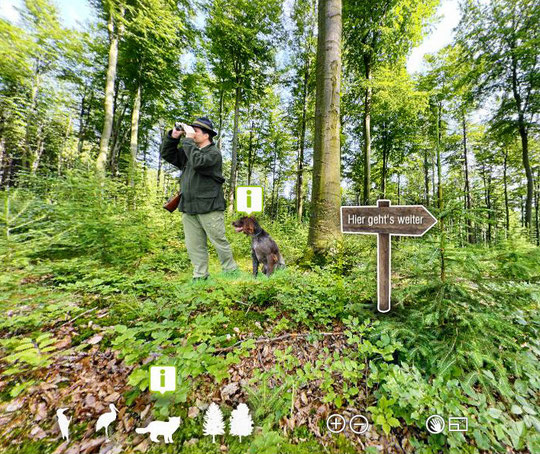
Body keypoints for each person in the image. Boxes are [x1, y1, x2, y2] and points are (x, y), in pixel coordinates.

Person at [161, 117, 238, 281]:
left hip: (209, 206)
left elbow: (198, 163)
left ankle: (231, 271)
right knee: (194, 245)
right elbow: (167, 153)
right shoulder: (189, 151)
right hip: (188, 206)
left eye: (195, 131)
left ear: (206, 135)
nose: (191, 134)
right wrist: (173, 136)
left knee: (219, 241)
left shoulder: (213, 153)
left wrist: (187, 140)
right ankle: (200, 276)